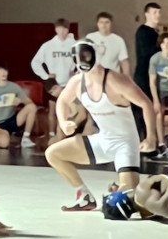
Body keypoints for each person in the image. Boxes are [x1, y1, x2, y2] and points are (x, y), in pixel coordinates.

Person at [45, 40, 156, 211]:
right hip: (102, 141)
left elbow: (146, 104)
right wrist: (62, 121)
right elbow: (62, 101)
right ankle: (84, 196)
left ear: (95, 54)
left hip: (124, 144)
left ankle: (127, 185)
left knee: (129, 200)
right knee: (53, 153)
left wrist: (151, 138)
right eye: (78, 57)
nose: (82, 60)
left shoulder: (115, 80)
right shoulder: (77, 82)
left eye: (85, 55)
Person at [30, 19, 76, 140]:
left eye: (64, 29)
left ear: (68, 30)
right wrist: (45, 76)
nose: (62, 32)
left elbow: (81, 62)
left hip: (69, 84)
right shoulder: (48, 45)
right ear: (56, 29)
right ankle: (51, 134)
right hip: (54, 84)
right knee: (52, 111)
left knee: (68, 110)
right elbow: (35, 62)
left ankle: (65, 134)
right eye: (59, 29)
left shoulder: (74, 45)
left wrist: (76, 74)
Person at [0, 66, 38, 149]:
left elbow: (30, 102)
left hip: (12, 119)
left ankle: (26, 138)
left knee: (32, 107)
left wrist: (20, 100)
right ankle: (0, 138)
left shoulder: (13, 86)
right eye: (0, 70)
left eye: (5, 70)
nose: (3, 73)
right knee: (4, 144)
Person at [132, 3, 162, 141]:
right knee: (143, 109)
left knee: (153, 109)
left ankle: (152, 141)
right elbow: (147, 54)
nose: (157, 15)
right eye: (154, 12)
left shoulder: (155, 33)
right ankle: (142, 140)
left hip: (153, 75)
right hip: (143, 76)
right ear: (147, 14)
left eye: (158, 12)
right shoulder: (143, 32)